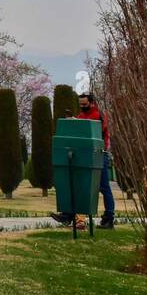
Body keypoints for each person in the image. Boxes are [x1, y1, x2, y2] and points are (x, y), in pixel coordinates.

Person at [49, 92, 115, 229]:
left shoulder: (99, 115)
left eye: (84, 104)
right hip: (84, 155)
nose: (82, 107)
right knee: (77, 184)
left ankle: (109, 217)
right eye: (80, 105)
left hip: (99, 155)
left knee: (103, 187)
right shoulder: (81, 115)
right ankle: (68, 214)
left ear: (92, 103)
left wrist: (80, 123)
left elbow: (97, 131)